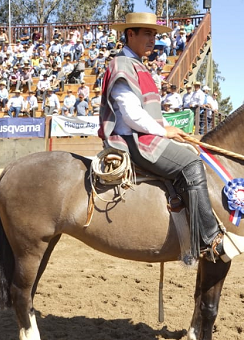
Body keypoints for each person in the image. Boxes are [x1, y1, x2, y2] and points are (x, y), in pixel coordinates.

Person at [98, 12, 227, 262]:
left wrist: (171, 128)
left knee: (190, 155)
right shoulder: (122, 65)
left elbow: (150, 113)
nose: (153, 40)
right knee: (191, 163)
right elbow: (131, 114)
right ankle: (208, 239)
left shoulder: (137, 65)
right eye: (147, 33)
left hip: (145, 135)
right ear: (130, 34)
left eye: (155, 35)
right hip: (133, 140)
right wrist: (164, 130)